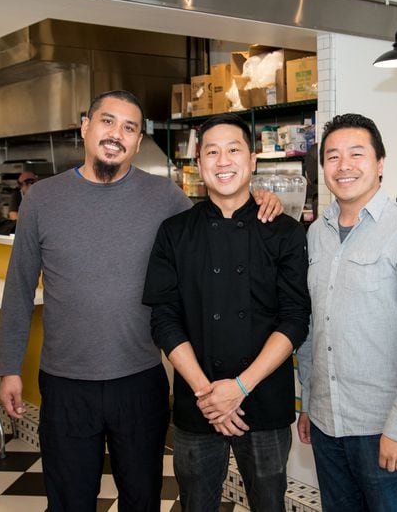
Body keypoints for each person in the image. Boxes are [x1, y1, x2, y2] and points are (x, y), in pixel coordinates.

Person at [0, 90, 283, 512]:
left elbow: (216, 221)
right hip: (65, 382)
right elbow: (18, 288)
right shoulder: (42, 198)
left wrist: (259, 196)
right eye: (108, 122)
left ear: (137, 139)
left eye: (129, 127)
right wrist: (9, 368)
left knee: (143, 499)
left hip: (141, 379)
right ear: (85, 127)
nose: (117, 134)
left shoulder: (164, 196)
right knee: (69, 502)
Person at [142, 113, 311, 512]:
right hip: (197, 402)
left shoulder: (285, 232)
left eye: (233, 150)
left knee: (269, 502)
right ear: (199, 165)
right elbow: (163, 319)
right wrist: (208, 393)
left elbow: (294, 318)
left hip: (264, 401)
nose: (223, 161)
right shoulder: (174, 232)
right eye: (212, 153)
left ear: (252, 160)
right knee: (196, 503)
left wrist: (239, 388)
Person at [296, 113, 397, 512]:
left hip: (382, 424)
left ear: (380, 164)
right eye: (332, 156)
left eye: (356, 154)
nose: (344, 165)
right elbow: (313, 328)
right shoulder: (316, 232)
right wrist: (309, 403)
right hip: (327, 422)